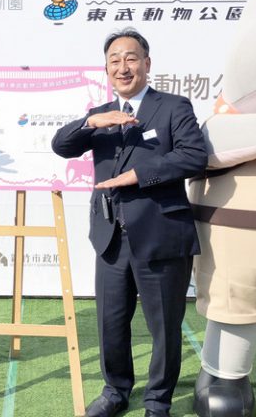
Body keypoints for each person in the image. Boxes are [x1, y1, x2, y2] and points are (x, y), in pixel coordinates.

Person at [52, 28, 208, 417]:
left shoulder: (173, 107)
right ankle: (115, 391)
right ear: (106, 68)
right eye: (115, 60)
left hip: (161, 235)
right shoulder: (101, 115)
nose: (123, 67)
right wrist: (91, 124)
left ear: (147, 64)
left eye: (131, 58)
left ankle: (158, 400)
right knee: (111, 322)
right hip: (110, 237)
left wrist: (140, 175)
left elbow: (194, 157)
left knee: (164, 327)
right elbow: (61, 145)